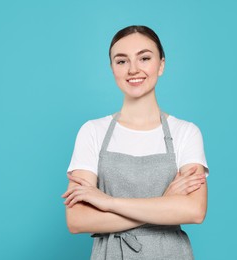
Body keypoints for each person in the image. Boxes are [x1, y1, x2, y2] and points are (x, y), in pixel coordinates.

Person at [62, 25, 209, 260]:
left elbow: (194, 210)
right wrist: (165, 204)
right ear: (112, 69)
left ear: (161, 64)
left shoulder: (185, 132)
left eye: (144, 58)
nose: (133, 69)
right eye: (121, 61)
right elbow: (77, 220)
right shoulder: (92, 132)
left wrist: (108, 202)